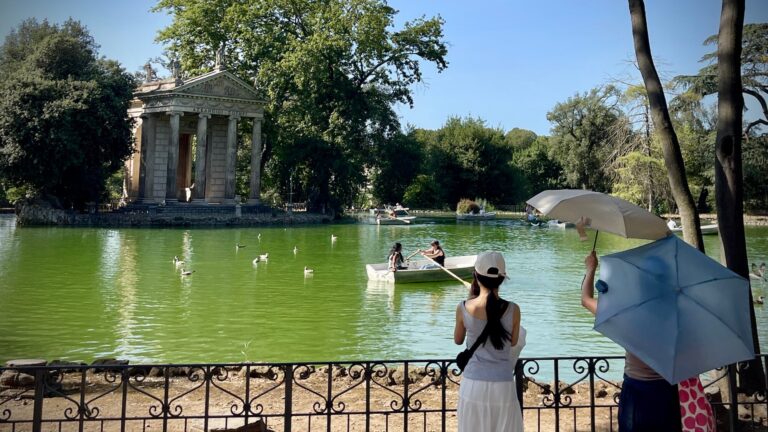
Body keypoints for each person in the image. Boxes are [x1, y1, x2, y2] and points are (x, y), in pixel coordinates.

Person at [581, 251, 682, 432]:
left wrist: (591, 269)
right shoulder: (677, 312)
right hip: (668, 392)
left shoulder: (628, 311)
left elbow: (586, 300)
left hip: (637, 392)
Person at [454, 251, 524, 432]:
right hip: (503, 383)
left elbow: (458, 340)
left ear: (476, 276)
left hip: (473, 383)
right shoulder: (513, 309)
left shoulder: (464, 307)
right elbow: (514, 341)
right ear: (502, 279)